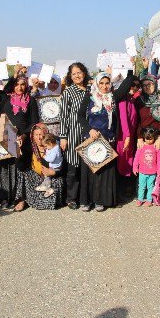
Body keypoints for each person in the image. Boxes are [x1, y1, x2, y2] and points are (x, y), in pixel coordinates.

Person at [78, 67, 135, 212]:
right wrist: (89, 129)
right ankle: (87, 201)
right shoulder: (89, 97)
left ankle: (100, 201)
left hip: (107, 139)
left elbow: (126, 85)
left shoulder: (112, 98)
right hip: (91, 139)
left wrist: (129, 69)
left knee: (103, 173)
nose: (104, 86)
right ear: (97, 83)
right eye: (101, 83)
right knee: (90, 172)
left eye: (107, 83)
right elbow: (79, 116)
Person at [0, 68, 40, 211]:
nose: (19, 87)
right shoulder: (5, 97)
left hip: (22, 139)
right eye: (16, 84)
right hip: (5, 137)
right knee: (5, 167)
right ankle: (5, 197)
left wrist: (23, 135)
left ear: (26, 85)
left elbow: (34, 122)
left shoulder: (31, 100)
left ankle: (20, 198)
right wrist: (13, 76)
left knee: (20, 168)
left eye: (22, 84)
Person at [59, 62, 91, 210]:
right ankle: (71, 198)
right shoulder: (68, 92)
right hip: (73, 133)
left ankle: (86, 197)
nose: (77, 75)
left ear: (84, 73)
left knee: (88, 167)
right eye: (74, 74)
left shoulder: (91, 90)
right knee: (73, 167)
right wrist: (63, 136)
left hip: (90, 133)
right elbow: (64, 116)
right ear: (70, 76)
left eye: (79, 72)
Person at [18, 124, 65, 210]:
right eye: (36, 135)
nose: (39, 138)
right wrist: (19, 152)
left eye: (41, 135)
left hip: (52, 176)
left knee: (57, 184)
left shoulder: (54, 146)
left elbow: (64, 167)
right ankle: (22, 199)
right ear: (32, 136)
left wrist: (54, 172)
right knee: (23, 174)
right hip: (36, 176)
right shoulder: (29, 147)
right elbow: (21, 166)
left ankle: (39, 199)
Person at [116, 76, 139, 203]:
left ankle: (127, 190)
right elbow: (124, 119)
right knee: (122, 163)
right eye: (132, 85)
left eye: (136, 85)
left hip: (130, 137)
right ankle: (121, 193)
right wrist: (127, 137)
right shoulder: (123, 100)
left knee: (129, 163)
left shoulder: (132, 99)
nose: (134, 87)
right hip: (123, 138)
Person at [133, 127, 160, 207]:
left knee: (151, 187)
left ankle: (149, 200)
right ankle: (140, 199)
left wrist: (159, 171)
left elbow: (159, 161)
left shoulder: (156, 147)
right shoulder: (141, 146)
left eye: (151, 139)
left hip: (152, 172)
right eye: (147, 139)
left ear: (154, 137)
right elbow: (136, 158)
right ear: (144, 137)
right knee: (141, 187)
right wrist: (135, 167)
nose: (149, 141)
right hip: (142, 171)